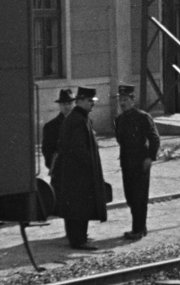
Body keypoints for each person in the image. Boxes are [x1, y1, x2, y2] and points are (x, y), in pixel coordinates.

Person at [46, 87, 108, 249]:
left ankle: (79, 237)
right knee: (79, 207)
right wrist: (91, 169)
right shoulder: (78, 120)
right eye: (89, 101)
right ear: (80, 101)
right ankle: (78, 240)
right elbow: (79, 150)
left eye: (93, 101)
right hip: (79, 175)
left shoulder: (80, 118)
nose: (92, 105)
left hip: (77, 174)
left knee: (78, 207)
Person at [113, 85, 160, 240]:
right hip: (127, 164)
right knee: (130, 197)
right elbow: (120, 140)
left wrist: (149, 157)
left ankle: (138, 229)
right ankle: (139, 227)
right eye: (120, 100)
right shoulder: (119, 120)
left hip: (141, 164)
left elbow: (154, 138)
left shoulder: (143, 117)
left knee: (140, 197)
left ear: (133, 100)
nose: (122, 103)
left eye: (125, 99)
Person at [40, 89, 73, 173]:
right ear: (59, 105)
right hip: (60, 173)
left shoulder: (79, 124)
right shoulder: (50, 127)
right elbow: (47, 152)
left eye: (69, 103)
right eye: (64, 104)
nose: (67, 106)